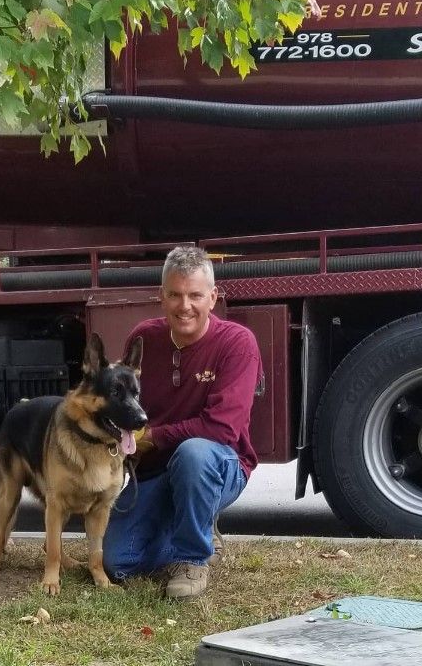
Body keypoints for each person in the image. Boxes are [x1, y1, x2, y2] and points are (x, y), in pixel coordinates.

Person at [102, 245, 262, 599]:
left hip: (220, 465)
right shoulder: (144, 337)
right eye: (175, 295)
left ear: (213, 297)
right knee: (118, 563)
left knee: (194, 454)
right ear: (161, 297)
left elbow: (222, 429)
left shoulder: (238, 344)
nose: (184, 305)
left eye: (195, 295)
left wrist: (154, 436)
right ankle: (192, 528)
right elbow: (125, 403)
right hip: (155, 472)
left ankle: (193, 557)